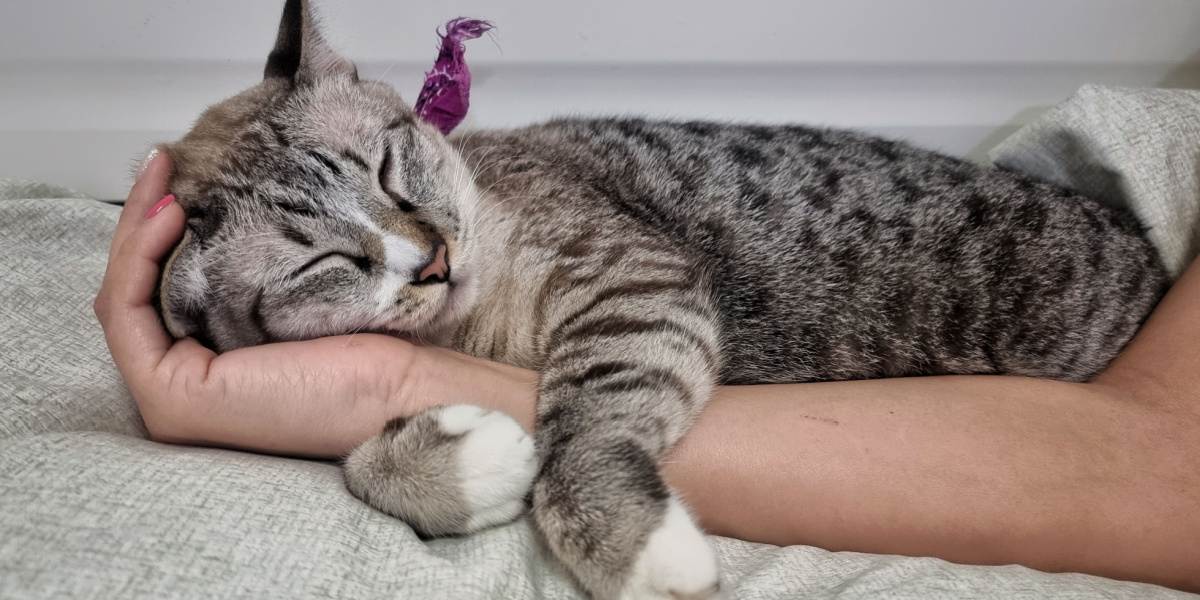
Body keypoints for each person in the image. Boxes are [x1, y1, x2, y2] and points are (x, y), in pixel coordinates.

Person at [95, 152, 1200, 592]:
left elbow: (1160, 461)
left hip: (1048, 293)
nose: (430, 242)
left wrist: (404, 394)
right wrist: (384, 390)